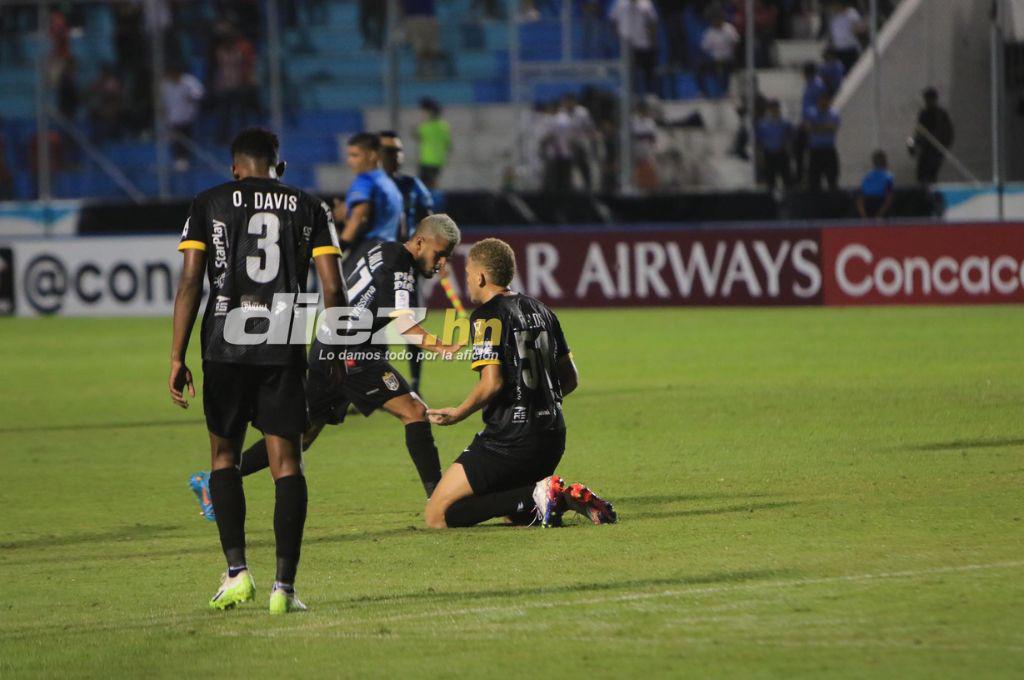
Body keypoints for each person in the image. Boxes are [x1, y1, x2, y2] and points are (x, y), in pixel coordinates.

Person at [171, 127, 345, 614]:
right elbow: (333, 288)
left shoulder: (208, 202)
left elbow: (190, 283)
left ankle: (236, 574)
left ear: (234, 167)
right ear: (279, 167)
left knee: (223, 458)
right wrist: (331, 352)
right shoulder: (312, 207)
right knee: (287, 464)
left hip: (224, 340)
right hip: (282, 337)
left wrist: (176, 355)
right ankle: (284, 590)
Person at [190, 216, 464, 525]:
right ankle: (440, 500)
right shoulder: (400, 265)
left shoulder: (382, 249)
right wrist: (442, 347)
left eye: (446, 257)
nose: (440, 263)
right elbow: (404, 324)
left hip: (332, 348)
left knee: (298, 437)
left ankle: (214, 481)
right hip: (351, 352)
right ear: (420, 242)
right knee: (414, 411)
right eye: (438, 254)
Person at [424, 238, 617, 529]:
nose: (466, 281)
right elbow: (571, 378)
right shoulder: (542, 310)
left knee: (438, 515)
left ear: (480, 276)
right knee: (515, 513)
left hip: (510, 441)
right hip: (552, 437)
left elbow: (491, 384)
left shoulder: (486, 316)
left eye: (467, 274)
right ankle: (558, 497)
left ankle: (541, 492)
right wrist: (539, 403)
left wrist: (457, 413)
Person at [380, 130, 467, 395]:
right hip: (381, 263)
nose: (394, 156)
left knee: (410, 318)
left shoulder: (412, 186)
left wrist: (437, 254)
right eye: (388, 150)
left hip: (409, 262)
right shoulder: (370, 186)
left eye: (398, 150)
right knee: (379, 323)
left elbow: (431, 223)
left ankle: (414, 383)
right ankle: (374, 379)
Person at [332, 132, 404, 276]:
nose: (349, 161)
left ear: (372, 155)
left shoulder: (364, 181)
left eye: (355, 155)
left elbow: (359, 218)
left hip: (367, 253)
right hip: (390, 254)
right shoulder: (390, 184)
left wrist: (336, 251)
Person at [609, 0, 660, 96]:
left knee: (648, 71)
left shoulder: (646, 4)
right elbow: (613, 19)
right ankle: (632, 95)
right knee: (630, 72)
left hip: (644, 43)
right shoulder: (620, 4)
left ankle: (650, 94)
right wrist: (618, 36)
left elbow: (653, 21)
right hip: (628, 45)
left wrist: (652, 38)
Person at [160, 62, 204, 171]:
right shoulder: (165, 84)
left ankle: (185, 159)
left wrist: (190, 96)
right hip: (172, 118)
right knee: (175, 140)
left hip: (187, 117)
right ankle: (177, 159)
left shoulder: (188, 81)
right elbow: (163, 101)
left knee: (185, 138)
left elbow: (199, 93)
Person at [912, 87, 954, 185]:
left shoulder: (940, 114)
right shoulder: (923, 113)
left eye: (929, 98)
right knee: (921, 174)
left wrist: (943, 147)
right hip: (925, 150)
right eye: (926, 98)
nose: (927, 101)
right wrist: (917, 144)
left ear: (934, 99)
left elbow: (948, 133)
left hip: (936, 150)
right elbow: (919, 130)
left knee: (931, 174)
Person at [794, 61, 827, 183]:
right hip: (805, 121)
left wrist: (811, 120)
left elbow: (820, 105)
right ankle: (800, 177)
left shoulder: (818, 86)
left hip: (813, 123)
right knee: (799, 150)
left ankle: (811, 179)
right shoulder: (808, 85)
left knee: (812, 153)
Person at [697, 5, 739, 98]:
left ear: (721, 18)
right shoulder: (709, 32)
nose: (715, 22)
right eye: (713, 20)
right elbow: (704, 48)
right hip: (714, 60)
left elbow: (735, 43)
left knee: (726, 67)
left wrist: (731, 54)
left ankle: (726, 91)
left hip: (728, 59)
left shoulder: (729, 29)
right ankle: (703, 92)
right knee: (699, 67)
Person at [805, 92, 841, 192]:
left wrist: (816, 127)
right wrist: (824, 127)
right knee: (814, 181)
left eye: (826, 100)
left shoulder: (834, 114)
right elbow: (808, 128)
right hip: (815, 151)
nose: (824, 102)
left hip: (828, 150)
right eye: (822, 99)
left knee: (832, 179)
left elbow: (833, 128)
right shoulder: (811, 113)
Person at [756, 99, 793, 192]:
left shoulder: (785, 123)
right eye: (772, 108)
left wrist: (787, 149)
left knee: (786, 180)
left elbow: (790, 138)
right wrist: (760, 158)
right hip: (769, 154)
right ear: (769, 109)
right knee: (770, 181)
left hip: (782, 154)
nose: (774, 110)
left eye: (776, 108)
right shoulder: (762, 124)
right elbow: (759, 141)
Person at [415, 98, 452, 190]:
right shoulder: (444, 126)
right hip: (438, 161)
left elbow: (416, 135)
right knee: (433, 184)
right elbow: (448, 145)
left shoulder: (425, 127)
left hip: (426, 160)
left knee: (423, 186)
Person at [826, 0, 864, 73]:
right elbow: (832, 34)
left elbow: (859, 28)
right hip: (838, 50)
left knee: (852, 72)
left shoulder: (851, 13)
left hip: (850, 49)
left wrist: (857, 29)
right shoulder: (833, 17)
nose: (833, 7)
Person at [857, 150, 895, 219]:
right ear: (885, 162)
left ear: (873, 163)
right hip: (880, 205)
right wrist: (879, 215)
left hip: (868, 206)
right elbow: (889, 199)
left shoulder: (867, 176)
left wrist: (864, 216)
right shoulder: (888, 177)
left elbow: (860, 200)